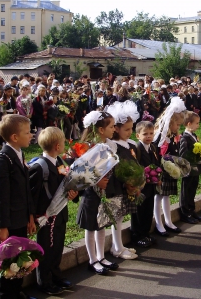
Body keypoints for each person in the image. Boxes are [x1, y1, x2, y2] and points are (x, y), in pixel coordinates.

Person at [0, 114, 36, 299]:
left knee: (20, 259)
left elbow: (26, 189)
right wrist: (3, 226)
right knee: (7, 261)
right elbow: (1, 198)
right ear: (14, 137)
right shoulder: (2, 160)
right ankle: (6, 295)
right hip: (9, 221)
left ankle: (17, 292)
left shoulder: (18, 153)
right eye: (27, 132)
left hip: (21, 217)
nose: (31, 135)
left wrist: (30, 216)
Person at [29, 127, 77, 295]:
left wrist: (73, 193)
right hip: (46, 216)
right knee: (46, 250)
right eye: (63, 142)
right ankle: (45, 281)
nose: (65, 144)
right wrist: (31, 217)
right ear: (57, 146)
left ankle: (56, 275)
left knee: (57, 247)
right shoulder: (40, 167)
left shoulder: (59, 162)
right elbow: (33, 196)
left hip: (60, 213)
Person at [76, 111, 117, 275]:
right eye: (112, 126)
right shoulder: (87, 147)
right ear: (101, 129)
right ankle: (92, 259)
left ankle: (101, 256)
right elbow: (82, 171)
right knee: (91, 227)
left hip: (104, 191)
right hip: (91, 192)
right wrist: (97, 180)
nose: (114, 129)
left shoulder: (110, 144)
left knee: (102, 224)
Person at [105, 101, 140, 259]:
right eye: (126, 129)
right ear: (116, 129)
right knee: (116, 216)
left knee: (120, 217)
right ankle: (117, 247)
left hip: (126, 186)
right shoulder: (114, 146)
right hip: (116, 186)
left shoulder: (129, 144)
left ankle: (118, 245)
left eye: (131, 128)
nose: (130, 132)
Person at [153, 97, 186, 235]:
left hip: (171, 169)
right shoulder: (160, 136)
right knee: (159, 196)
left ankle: (168, 221)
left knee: (167, 196)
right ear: (170, 121)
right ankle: (158, 223)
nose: (178, 127)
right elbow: (156, 153)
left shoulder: (173, 135)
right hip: (162, 170)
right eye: (177, 124)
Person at [131, 120, 160, 247]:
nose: (148, 136)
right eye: (145, 134)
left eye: (151, 133)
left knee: (148, 209)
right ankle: (137, 235)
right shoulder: (137, 149)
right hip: (141, 186)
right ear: (138, 136)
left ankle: (146, 233)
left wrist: (158, 175)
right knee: (139, 211)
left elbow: (156, 163)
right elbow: (135, 166)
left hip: (151, 185)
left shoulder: (153, 147)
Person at [179, 111, 201, 223]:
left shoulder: (193, 136)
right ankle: (185, 213)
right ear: (189, 124)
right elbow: (183, 154)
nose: (198, 125)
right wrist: (195, 158)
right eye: (197, 123)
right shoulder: (184, 137)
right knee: (186, 191)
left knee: (193, 190)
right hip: (188, 169)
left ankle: (192, 210)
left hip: (196, 168)